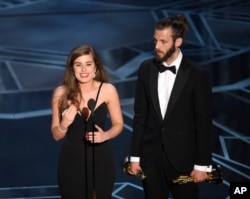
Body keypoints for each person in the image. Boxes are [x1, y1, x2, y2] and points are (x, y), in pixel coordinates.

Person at [129, 14, 213, 199]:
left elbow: (204, 122)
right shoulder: (146, 68)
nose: (157, 46)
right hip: (150, 160)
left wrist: (202, 165)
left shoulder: (197, 74)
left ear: (178, 42)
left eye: (163, 41)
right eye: (155, 40)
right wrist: (135, 157)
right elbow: (140, 115)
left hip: (184, 161)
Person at [51, 44, 123, 199]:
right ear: (72, 68)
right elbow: (56, 135)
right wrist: (64, 124)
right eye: (78, 65)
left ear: (95, 66)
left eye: (88, 64)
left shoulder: (108, 90)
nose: (84, 70)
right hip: (72, 162)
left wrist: (105, 135)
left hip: (101, 160)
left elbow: (118, 124)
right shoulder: (61, 93)